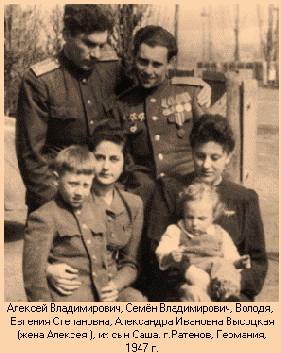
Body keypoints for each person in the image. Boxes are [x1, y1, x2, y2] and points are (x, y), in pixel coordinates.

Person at [16, 4, 132, 214]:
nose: (97, 53)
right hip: (55, 199)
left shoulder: (113, 68)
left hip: (102, 195)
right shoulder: (39, 82)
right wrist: (58, 207)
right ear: (67, 34)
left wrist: (197, 88)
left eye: (102, 45)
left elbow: (150, 88)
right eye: (89, 44)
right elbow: (32, 158)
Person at [147, 114, 268, 302]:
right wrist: (182, 285)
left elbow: (257, 263)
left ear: (227, 157)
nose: (206, 165)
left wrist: (232, 283)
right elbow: (154, 253)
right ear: (192, 152)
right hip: (182, 287)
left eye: (215, 157)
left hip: (230, 291)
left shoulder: (244, 199)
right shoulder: (169, 190)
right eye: (200, 156)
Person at [42, 122, 146, 302]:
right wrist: (49, 270)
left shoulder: (133, 204)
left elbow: (131, 263)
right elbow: (36, 252)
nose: (106, 166)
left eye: (114, 159)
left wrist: (116, 285)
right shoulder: (71, 197)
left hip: (110, 286)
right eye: (99, 158)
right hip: (75, 287)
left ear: (124, 162)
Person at [112, 26, 211, 206]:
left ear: (171, 63)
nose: (148, 71)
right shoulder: (123, 104)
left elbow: (211, 143)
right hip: (144, 198)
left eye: (157, 64)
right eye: (143, 61)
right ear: (135, 58)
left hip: (187, 195)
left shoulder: (190, 93)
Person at [155, 183, 251, 302]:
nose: (195, 223)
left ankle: (227, 295)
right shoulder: (176, 230)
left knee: (225, 266)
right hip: (191, 276)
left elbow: (230, 256)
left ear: (213, 216)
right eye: (190, 217)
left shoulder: (220, 233)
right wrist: (170, 256)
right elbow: (162, 251)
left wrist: (239, 262)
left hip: (217, 277)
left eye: (201, 218)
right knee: (192, 294)